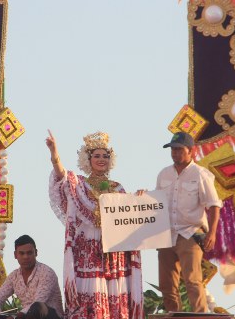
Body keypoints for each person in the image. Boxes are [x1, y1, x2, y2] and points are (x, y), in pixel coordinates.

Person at [46, 130, 143, 319]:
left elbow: (129, 220)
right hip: (88, 250)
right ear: (87, 160)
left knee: (115, 295)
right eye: (96, 156)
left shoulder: (118, 188)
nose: (101, 159)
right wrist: (54, 153)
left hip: (114, 253)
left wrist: (140, 199)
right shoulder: (79, 185)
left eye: (105, 156)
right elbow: (61, 176)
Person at [156, 131, 222, 313]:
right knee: (167, 284)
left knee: (192, 279)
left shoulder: (201, 174)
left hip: (190, 233)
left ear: (191, 151)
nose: (175, 153)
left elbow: (214, 205)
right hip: (167, 235)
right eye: (172, 150)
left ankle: (200, 315)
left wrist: (212, 233)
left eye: (179, 149)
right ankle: (174, 315)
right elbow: (155, 203)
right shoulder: (164, 174)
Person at [0, 235, 64, 319]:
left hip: (48, 316)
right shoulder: (14, 276)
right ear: (15, 255)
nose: (25, 257)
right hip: (24, 316)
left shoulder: (47, 272)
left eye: (29, 253)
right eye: (22, 253)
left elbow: (38, 302)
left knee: (37, 307)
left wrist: (15, 317)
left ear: (36, 253)